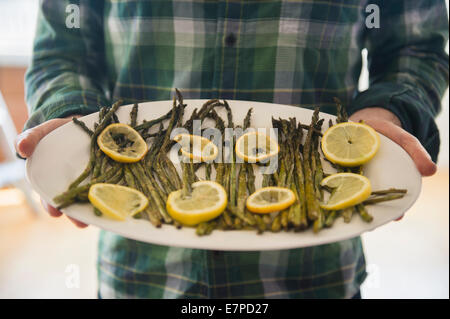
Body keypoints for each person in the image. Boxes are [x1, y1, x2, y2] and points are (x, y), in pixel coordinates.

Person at [15, 1, 448, 298]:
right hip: (142, 272)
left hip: (312, 271)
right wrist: (71, 124)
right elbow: (63, 51)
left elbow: (416, 45)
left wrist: (387, 113)